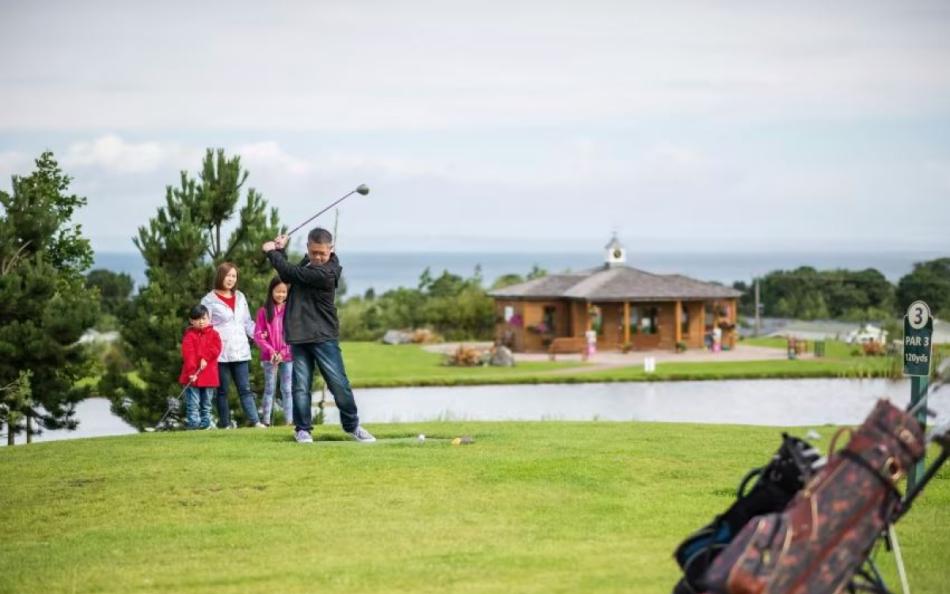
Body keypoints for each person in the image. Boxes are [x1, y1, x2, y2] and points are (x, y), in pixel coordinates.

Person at [261, 228, 375, 444]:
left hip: (324, 336)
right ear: (308, 248)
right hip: (300, 336)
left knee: (338, 384)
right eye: (314, 253)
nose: (318, 257)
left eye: (322, 253)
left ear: (331, 250)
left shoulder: (328, 272)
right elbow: (287, 274)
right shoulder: (307, 264)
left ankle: (353, 426)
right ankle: (302, 429)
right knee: (301, 386)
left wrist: (271, 252)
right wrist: (280, 250)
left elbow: (294, 274)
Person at [201, 262, 265, 428]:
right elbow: (204, 327)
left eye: (234, 276)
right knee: (222, 391)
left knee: (245, 388)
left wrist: (260, 336)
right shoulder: (209, 300)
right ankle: (225, 424)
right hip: (219, 352)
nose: (230, 279)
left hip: (240, 350)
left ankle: (256, 421)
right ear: (220, 276)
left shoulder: (240, 297)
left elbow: (247, 322)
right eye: (228, 275)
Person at [253, 276, 293, 426]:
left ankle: (289, 421)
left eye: (284, 292)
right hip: (269, 358)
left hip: (287, 357)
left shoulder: (290, 311)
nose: (281, 295)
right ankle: (266, 421)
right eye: (278, 291)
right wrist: (271, 352)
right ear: (271, 291)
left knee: (287, 389)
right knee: (270, 389)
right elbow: (258, 335)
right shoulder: (263, 312)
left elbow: (291, 335)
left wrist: (282, 352)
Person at [178, 304, 222, 430]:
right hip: (192, 377)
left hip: (209, 376)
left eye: (204, 318)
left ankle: (205, 425)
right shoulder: (189, 336)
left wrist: (205, 358)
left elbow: (216, 348)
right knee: (193, 404)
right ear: (191, 321)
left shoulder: (214, 334)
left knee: (207, 404)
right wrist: (192, 372)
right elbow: (189, 355)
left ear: (209, 318)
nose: (201, 322)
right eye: (197, 319)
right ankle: (194, 426)